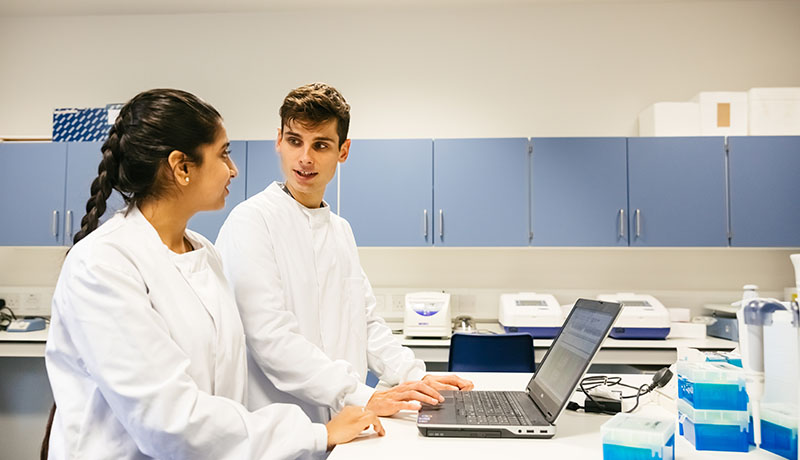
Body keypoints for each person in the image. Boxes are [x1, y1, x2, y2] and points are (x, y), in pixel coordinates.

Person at [43, 88, 382, 460]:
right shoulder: (103, 263)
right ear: (182, 167)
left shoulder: (205, 255)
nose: (233, 169)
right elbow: (170, 422)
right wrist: (316, 434)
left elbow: (224, 395)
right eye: (223, 154)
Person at [215, 82, 473, 425]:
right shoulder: (251, 222)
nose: (305, 157)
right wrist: (366, 397)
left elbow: (366, 323)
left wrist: (414, 376)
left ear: (343, 150)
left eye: (320, 145)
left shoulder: (340, 230)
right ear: (279, 141)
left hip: (343, 428)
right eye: (295, 141)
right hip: (281, 432)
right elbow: (271, 340)